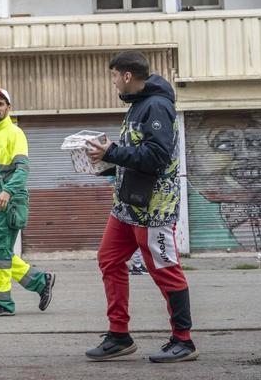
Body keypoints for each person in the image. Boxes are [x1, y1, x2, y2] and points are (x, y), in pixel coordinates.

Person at [84, 51, 196, 363]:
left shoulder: (157, 105)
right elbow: (133, 154)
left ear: (127, 76)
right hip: (126, 205)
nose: (114, 82)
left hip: (153, 209)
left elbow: (156, 157)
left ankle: (183, 341)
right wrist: (105, 160)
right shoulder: (138, 106)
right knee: (109, 259)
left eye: (114, 76)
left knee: (165, 271)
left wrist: (114, 152)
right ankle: (119, 335)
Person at [0, 88, 56, 317]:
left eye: (1, 104)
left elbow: (22, 169)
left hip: (6, 202)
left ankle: (3, 303)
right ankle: (41, 282)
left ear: (8, 108)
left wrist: (7, 192)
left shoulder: (15, 133)